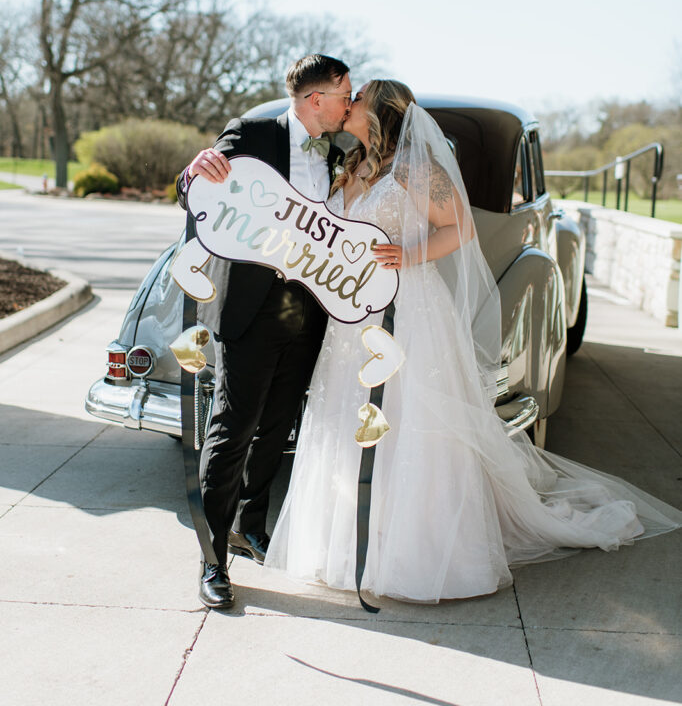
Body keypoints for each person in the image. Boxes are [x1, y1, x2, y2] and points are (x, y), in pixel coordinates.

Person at [265, 80, 682, 603]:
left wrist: (407, 256)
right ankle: (343, 545)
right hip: (352, 317)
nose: (349, 102)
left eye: (360, 95)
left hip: (406, 307)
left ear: (381, 112)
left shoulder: (415, 169)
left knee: (408, 420)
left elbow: (458, 228)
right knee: (348, 418)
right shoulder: (351, 165)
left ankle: (411, 553)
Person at [177, 53, 351, 609]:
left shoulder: (342, 151)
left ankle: (251, 525)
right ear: (315, 99)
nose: (350, 104)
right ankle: (212, 558)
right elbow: (194, 189)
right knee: (233, 428)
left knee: (277, 426)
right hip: (250, 310)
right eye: (344, 94)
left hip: (309, 312)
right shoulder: (252, 133)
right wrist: (192, 171)